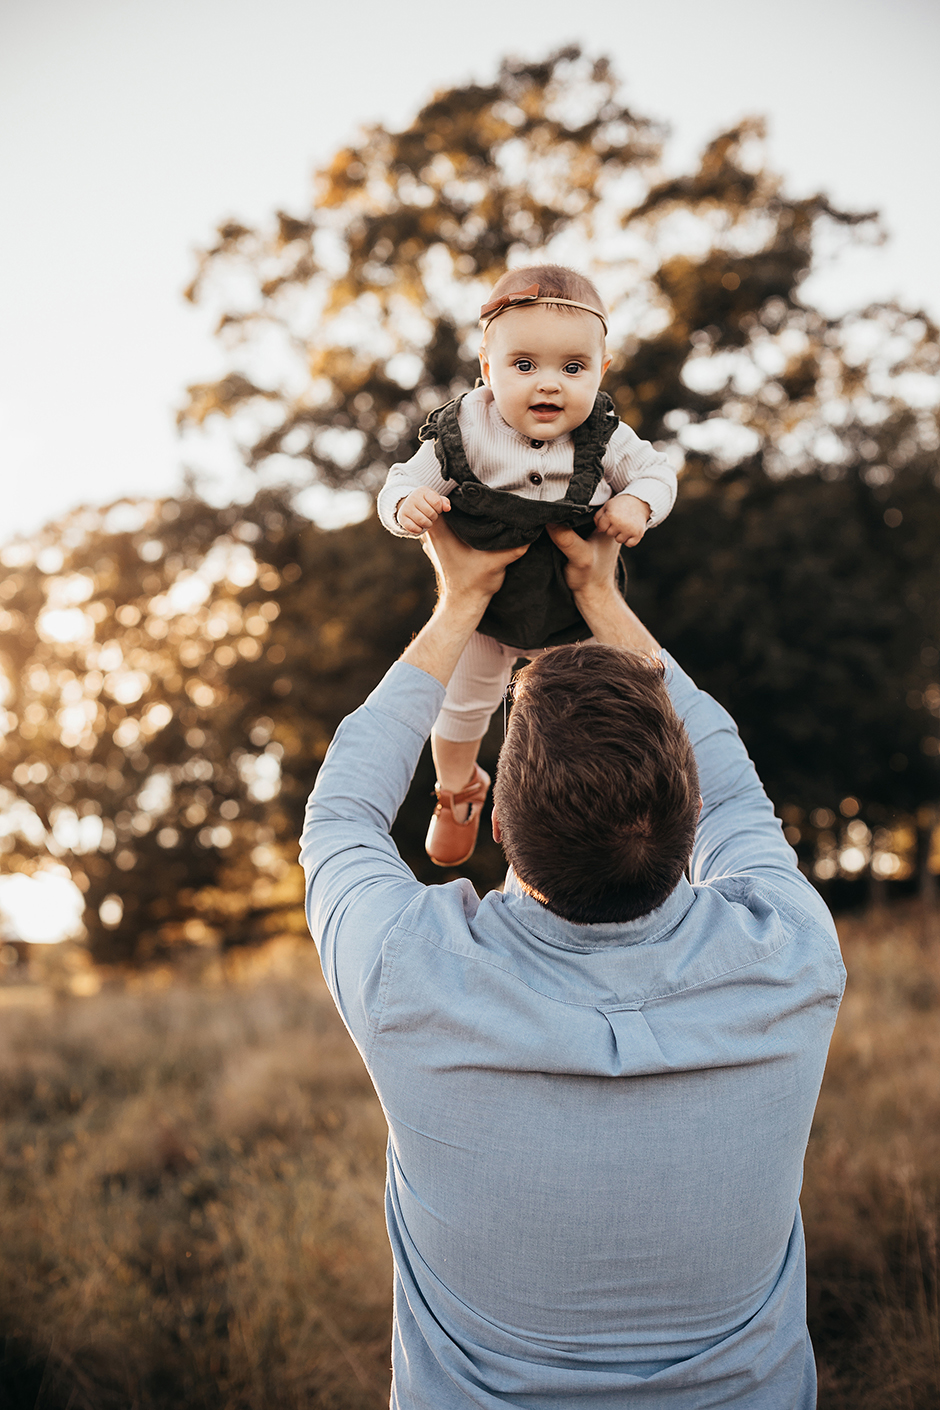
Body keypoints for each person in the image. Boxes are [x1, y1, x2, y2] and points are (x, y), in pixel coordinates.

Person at [300, 520, 845, 1409]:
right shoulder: (792, 953)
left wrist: (460, 602)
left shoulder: (411, 974)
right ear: (689, 819)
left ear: (503, 828)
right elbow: (737, 787)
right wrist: (601, 596)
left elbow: (338, 820)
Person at [377, 264, 678, 867]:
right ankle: (458, 794)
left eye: (573, 368)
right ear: (487, 369)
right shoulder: (464, 431)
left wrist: (637, 502)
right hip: (487, 609)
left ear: (601, 371)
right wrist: (405, 505)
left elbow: (657, 473)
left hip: (575, 611)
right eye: (524, 366)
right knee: (462, 705)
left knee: (597, 713)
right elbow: (400, 481)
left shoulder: (606, 435)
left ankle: (607, 812)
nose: (549, 385)